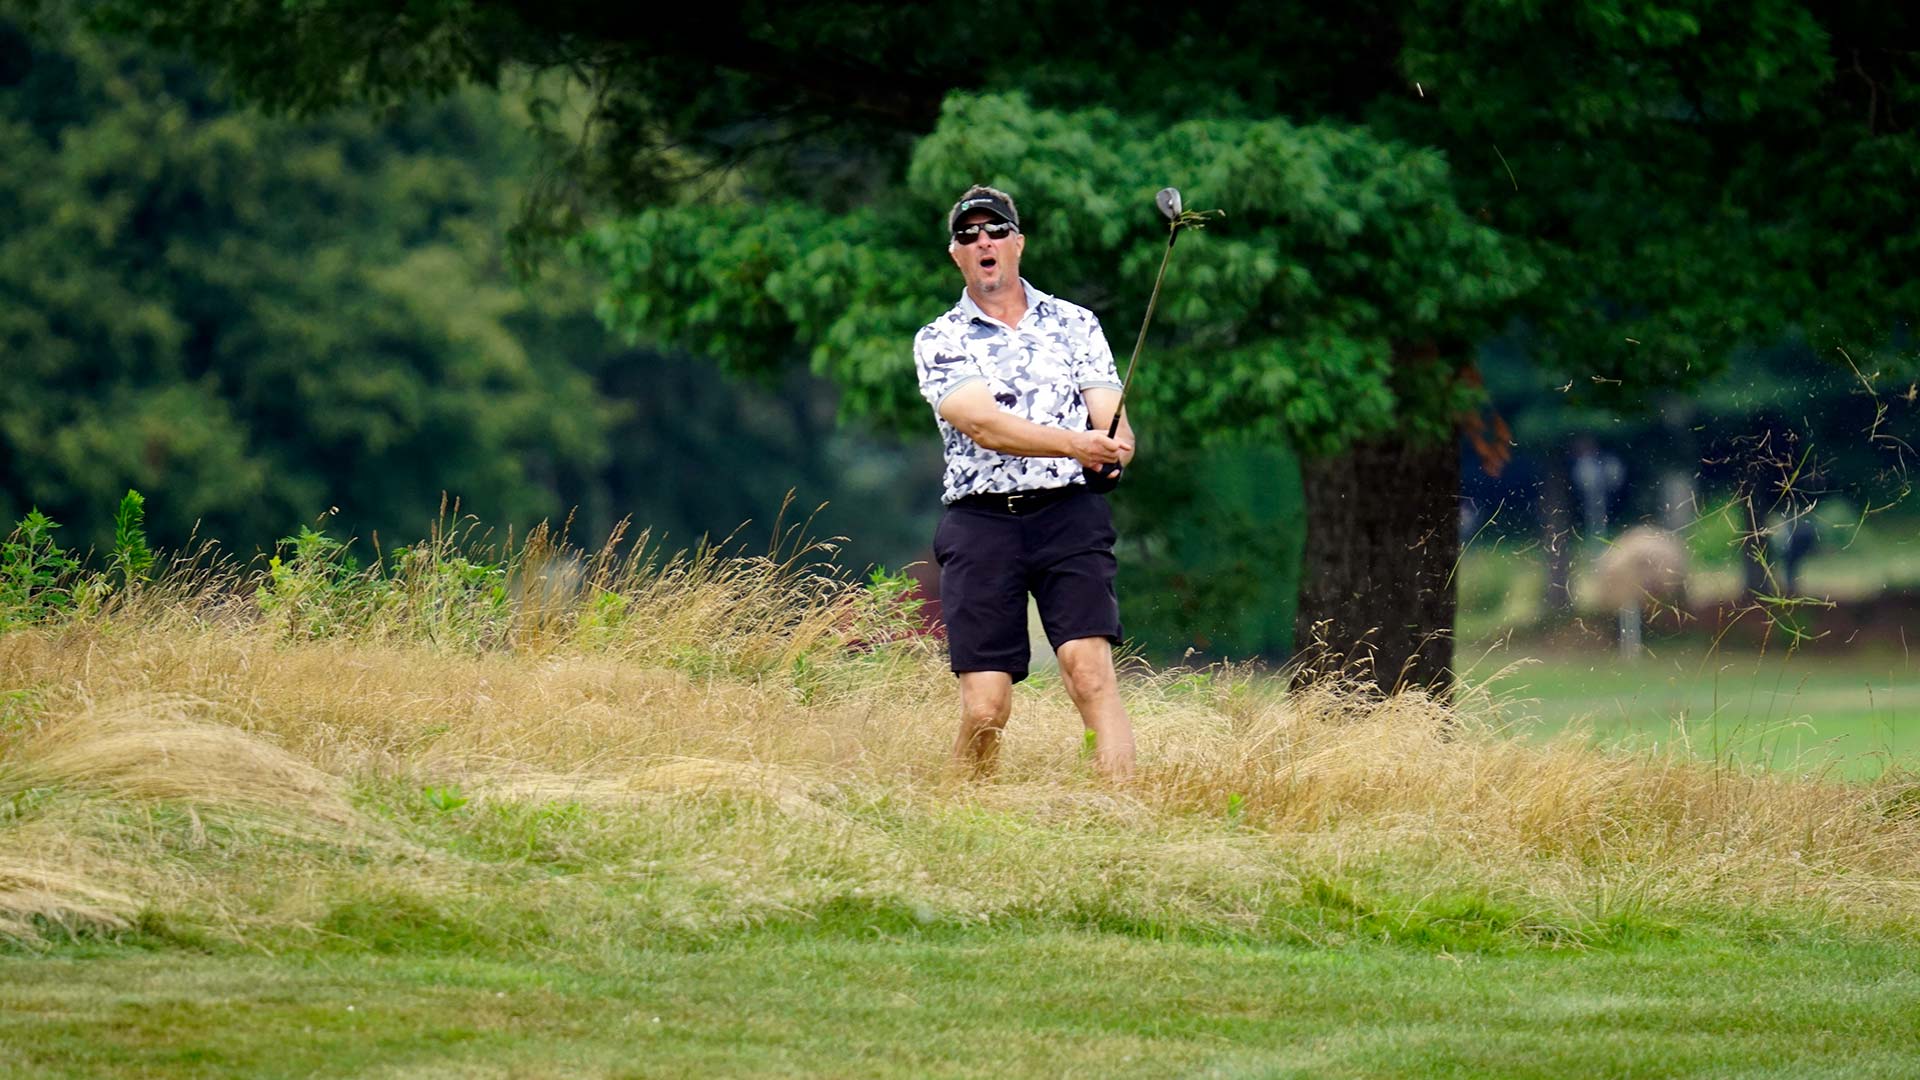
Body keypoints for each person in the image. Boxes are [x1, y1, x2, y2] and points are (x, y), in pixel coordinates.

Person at [912, 184, 1138, 780]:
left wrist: (1115, 450)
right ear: (956, 255)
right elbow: (983, 425)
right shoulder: (939, 339)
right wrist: (1077, 444)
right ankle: (961, 810)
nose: (982, 242)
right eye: (968, 235)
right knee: (987, 706)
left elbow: (1111, 417)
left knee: (1089, 672)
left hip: (1068, 513)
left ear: (1018, 243)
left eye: (995, 231)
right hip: (981, 521)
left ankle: (1126, 810)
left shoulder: (1076, 322)